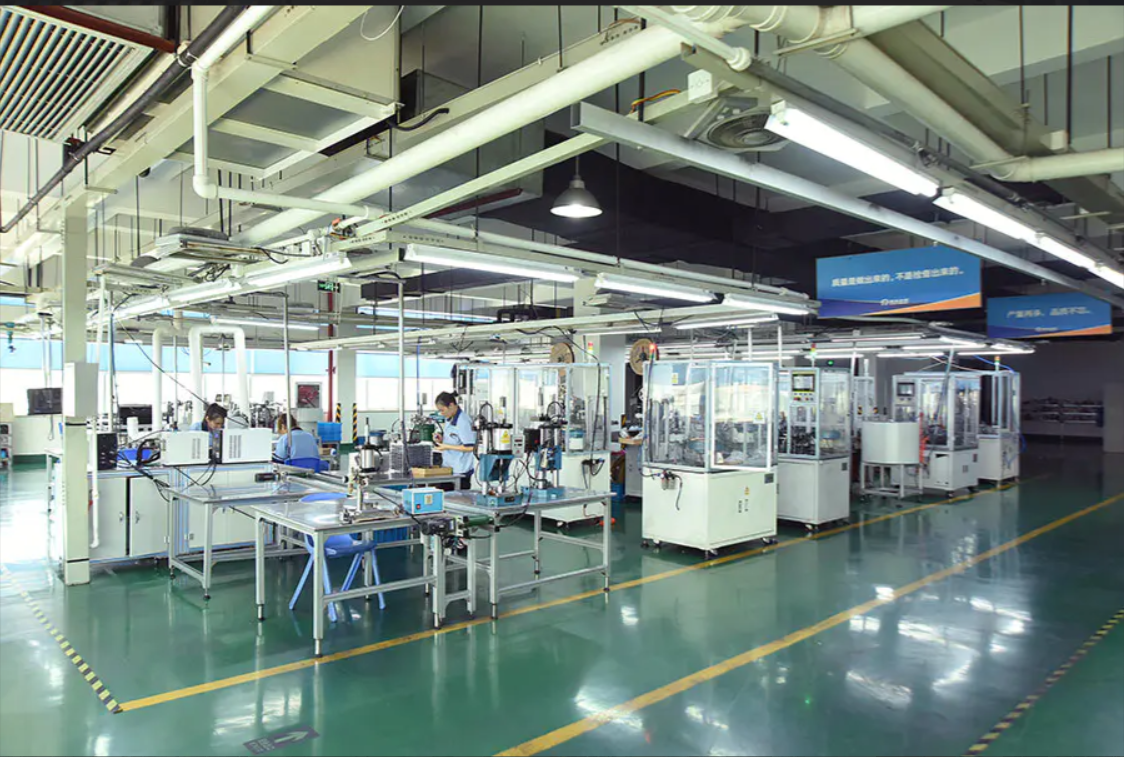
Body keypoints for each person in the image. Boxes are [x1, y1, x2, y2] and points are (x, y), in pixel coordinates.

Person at [433, 391, 476, 490]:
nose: (441, 413)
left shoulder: (463, 421)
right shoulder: (449, 419)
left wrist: (446, 446)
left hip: (460, 472)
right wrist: (441, 439)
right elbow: (455, 439)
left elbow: (470, 447)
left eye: (442, 410)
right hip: (448, 468)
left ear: (451, 405)